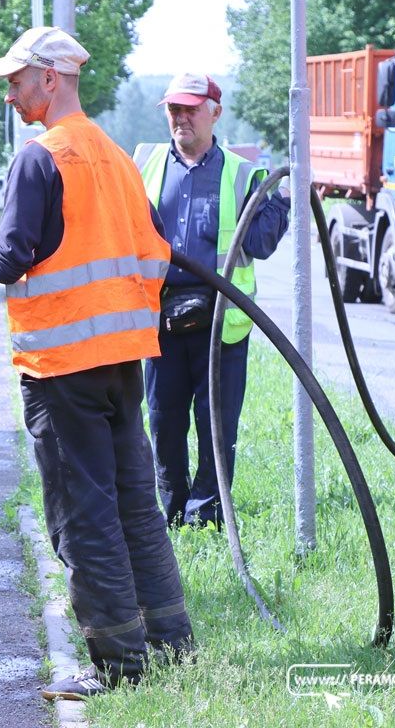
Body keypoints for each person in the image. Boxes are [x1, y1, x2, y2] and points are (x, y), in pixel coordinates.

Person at [0, 26, 193, 700]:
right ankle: (170, 645)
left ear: (51, 78)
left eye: (18, 81)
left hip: (61, 368)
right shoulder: (114, 155)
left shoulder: (38, 158)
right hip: (120, 363)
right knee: (136, 507)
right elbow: (141, 253)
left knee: (85, 515)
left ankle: (117, 666)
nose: (12, 94)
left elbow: (8, 262)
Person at [132, 73, 290, 528]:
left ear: (215, 112)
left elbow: (257, 245)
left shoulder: (243, 174)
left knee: (216, 425)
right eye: (173, 110)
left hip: (222, 322)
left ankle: (207, 515)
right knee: (164, 422)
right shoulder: (145, 163)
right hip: (160, 316)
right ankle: (173, 513)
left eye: (191, 109)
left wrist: (281, 204)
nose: (181, 118)